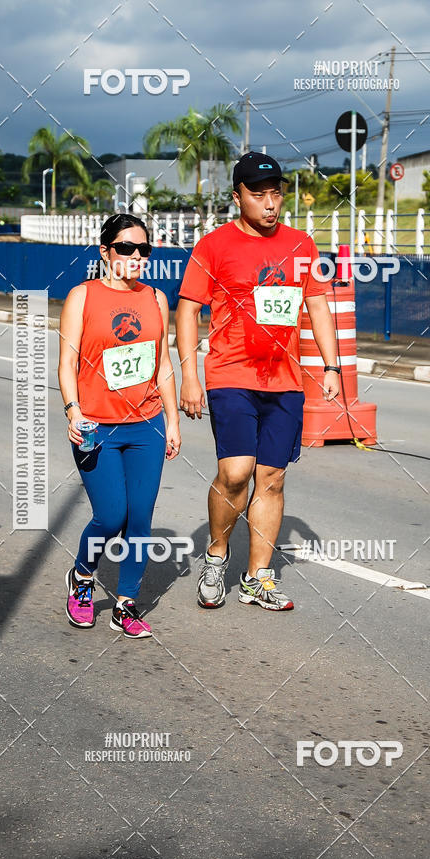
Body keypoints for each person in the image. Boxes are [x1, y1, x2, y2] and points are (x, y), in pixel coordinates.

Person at [175, 152, 340, 611]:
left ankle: (257, 577)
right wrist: (189, 375)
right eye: (258, 194)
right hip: (230, 372)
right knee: (235, 473)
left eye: (276, 193)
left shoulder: (301, 245)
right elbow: (188, 309)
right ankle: (217, 553)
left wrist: (331, 367)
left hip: (284, 378)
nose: (270, 204)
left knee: (271, 476)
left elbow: (319, 306)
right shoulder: (213, 246)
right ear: (237, 197)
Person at [58, 213, 181, 638]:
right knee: (111, 517)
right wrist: (74, 410)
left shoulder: (157, 299)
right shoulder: (82, 297)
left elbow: (163, 365)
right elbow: (67, 364)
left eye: (143, 249)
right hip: (96, 427)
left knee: (140, 521)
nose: (135, 256)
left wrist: (173, 421)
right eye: (125, 248)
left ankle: (126, 605)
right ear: (105, 251)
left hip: (146, 424)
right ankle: (82, 578)